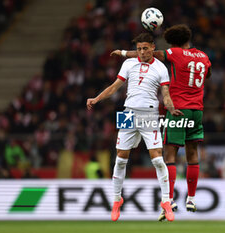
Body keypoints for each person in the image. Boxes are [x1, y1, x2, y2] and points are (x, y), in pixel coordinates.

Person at [111, 24, 212, 220]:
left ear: (173, 43)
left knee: (168, 153)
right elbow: (207, 74)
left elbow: (151, 53)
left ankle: (170, 199)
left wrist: (124, 52)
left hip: (176, 108)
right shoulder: (204, 56)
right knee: (192, 153)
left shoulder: (174, 53)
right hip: (197, 109)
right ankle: (191, 198)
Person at [87, 33, 182, 222]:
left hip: (149, 114)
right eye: (139, 49)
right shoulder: (128, 64)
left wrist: (171, 109)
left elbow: (165, 94)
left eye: (145, 48)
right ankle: (116, 200)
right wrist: (96, 98)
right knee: (121, 159)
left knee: (157, 159)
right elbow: (114, 87)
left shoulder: (161, 68)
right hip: (128, 113)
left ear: (153, 47)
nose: (142, 52)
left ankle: (165, 201)